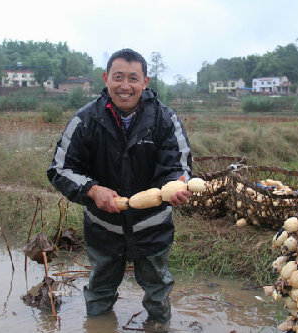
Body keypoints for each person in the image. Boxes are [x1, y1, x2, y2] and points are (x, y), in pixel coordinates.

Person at [47, 48, 192, 324]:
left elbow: (179, 166)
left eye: (133, 78)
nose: (125, 86)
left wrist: (176, 185)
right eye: (118, 77)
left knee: (158, 292)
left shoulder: (164, 119)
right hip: (103, 228)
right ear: (106, 78)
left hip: (152, 228)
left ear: (145, 82)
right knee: (99, 291)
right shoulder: (86, 120)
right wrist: (92, 189)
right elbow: (59, 169)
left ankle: (159, 327)